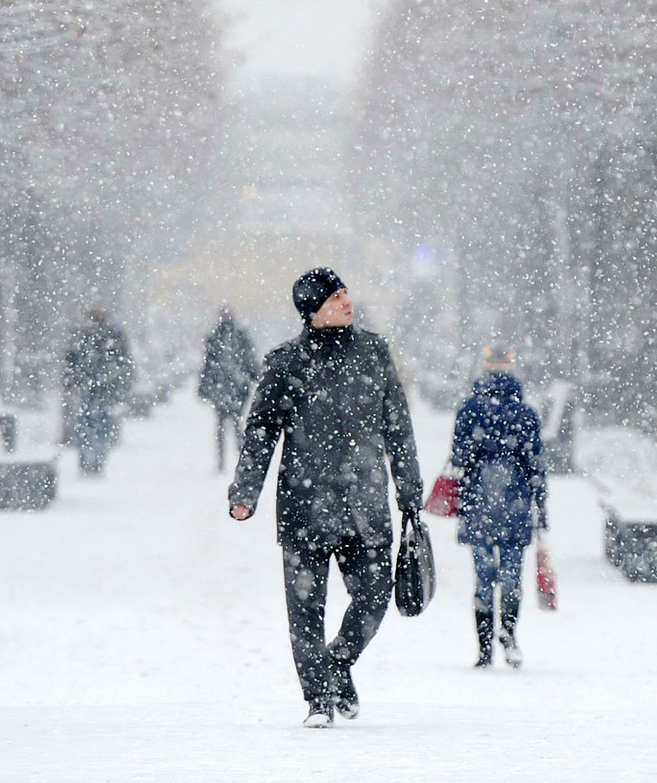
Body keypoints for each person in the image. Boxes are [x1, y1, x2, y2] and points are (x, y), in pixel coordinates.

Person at [229, 268, 423, 729]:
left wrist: (410, 491)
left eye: (345, 292)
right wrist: (244, 491)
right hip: (304, 505)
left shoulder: (374, 354)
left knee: (374, 599)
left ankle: (336, 664)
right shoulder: (286, 363)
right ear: (312, 310)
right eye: (335, 297)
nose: (346, 301)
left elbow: (398, 426)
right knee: (305, 612)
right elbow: (260, 433)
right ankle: (317, 699)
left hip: (366, 505)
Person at [445, 344, 547, 668]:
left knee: (484, 576)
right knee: (511, 575)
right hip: (516, 503)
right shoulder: (526, 413)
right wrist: (542, 511)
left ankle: (484, 648)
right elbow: (537, 466)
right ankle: (509, 633)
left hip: (480, 502)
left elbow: (459, 458)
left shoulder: (470, 409)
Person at [63, 308, 134, 476]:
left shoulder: (86, 335)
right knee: (95, 424)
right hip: (99, 387)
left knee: (91, 423)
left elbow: (71, 361)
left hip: (96, 387)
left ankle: (91, 461)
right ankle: (92, 461)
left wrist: (70, 382)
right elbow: (124, 362)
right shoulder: (109, 335)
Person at [198, 305, 258, 473]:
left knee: (229, 424)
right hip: (231, 387)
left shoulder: (222, 337)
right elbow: (209, 364)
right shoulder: (232, 337)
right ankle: (234, 459)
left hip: (229, 387)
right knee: (232, 423)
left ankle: (231, 460)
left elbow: (208, 365)